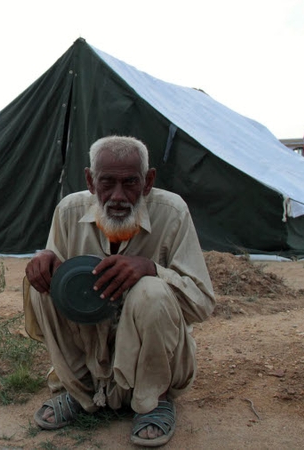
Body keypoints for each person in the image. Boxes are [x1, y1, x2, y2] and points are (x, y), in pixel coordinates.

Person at [23, 136, 215, 447]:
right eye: (107, 182)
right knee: (45, 284)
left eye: (130, 183)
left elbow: (202, 304)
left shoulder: (173, 212)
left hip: (151, 360)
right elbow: (54, 268)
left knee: (151, 290)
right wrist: (42, 259)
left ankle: (155, 400)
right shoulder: (69, 211)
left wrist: (151, 269)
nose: (118, 196)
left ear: (148, 181)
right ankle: (81, 393)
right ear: (90, 180)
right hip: (92, 352)